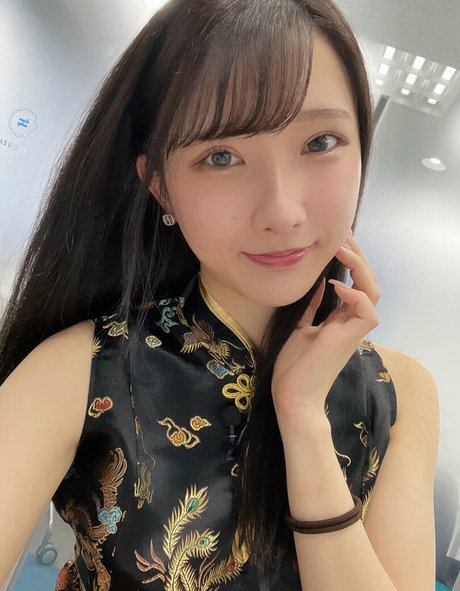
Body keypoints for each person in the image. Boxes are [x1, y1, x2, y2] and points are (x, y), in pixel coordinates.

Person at [0, 0, 440, 589]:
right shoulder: (80, 370)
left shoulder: (400, 392)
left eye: (320, 142)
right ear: (162, 188)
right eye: (221, 156)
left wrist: (303, 419)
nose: (282, 211)